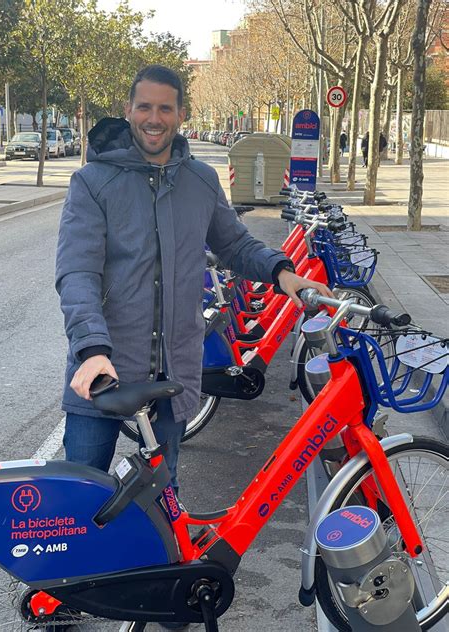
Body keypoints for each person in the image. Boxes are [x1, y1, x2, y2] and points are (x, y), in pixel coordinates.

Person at [55, 66, 332, 626]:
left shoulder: (201, 180)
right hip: (104, 370)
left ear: (182, 114)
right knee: (80, 495)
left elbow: (235, 245)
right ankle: (64, 598)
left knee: (165, 501)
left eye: (166, 109)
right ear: (129, 110)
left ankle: (166, 604)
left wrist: (286, 275)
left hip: (173, 371)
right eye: (144, 108)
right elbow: (76, 274)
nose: (154, 119)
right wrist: (91, 349)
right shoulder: (94, 183)